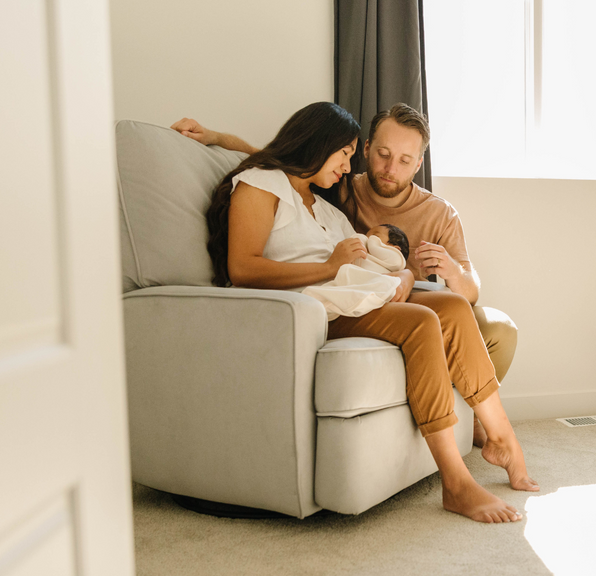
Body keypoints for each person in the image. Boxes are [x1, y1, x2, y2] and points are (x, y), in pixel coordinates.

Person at [204, 101, 537, 523]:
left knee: (453, 306)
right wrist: (216, 138)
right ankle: (455, 482)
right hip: (316, 303)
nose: (347, 168)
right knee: (422, 321)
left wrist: (399, 279)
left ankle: (502, 436)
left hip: (356, 290)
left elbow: (366, 263)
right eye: (346, 155)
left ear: (418, 163)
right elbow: (243, 267)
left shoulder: (326, 206)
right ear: (319, 146)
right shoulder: (262, 183)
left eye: (349, 157)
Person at [302, 224, 410, 320]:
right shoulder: (367, 254)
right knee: (342, 288)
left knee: (378, 286)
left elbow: (374, 247)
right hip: (358, 281)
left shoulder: (396, 258)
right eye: (367, 235)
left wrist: (365, 239)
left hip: (378, 284)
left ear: (394, 248)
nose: (367, 238)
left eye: (375, 235)